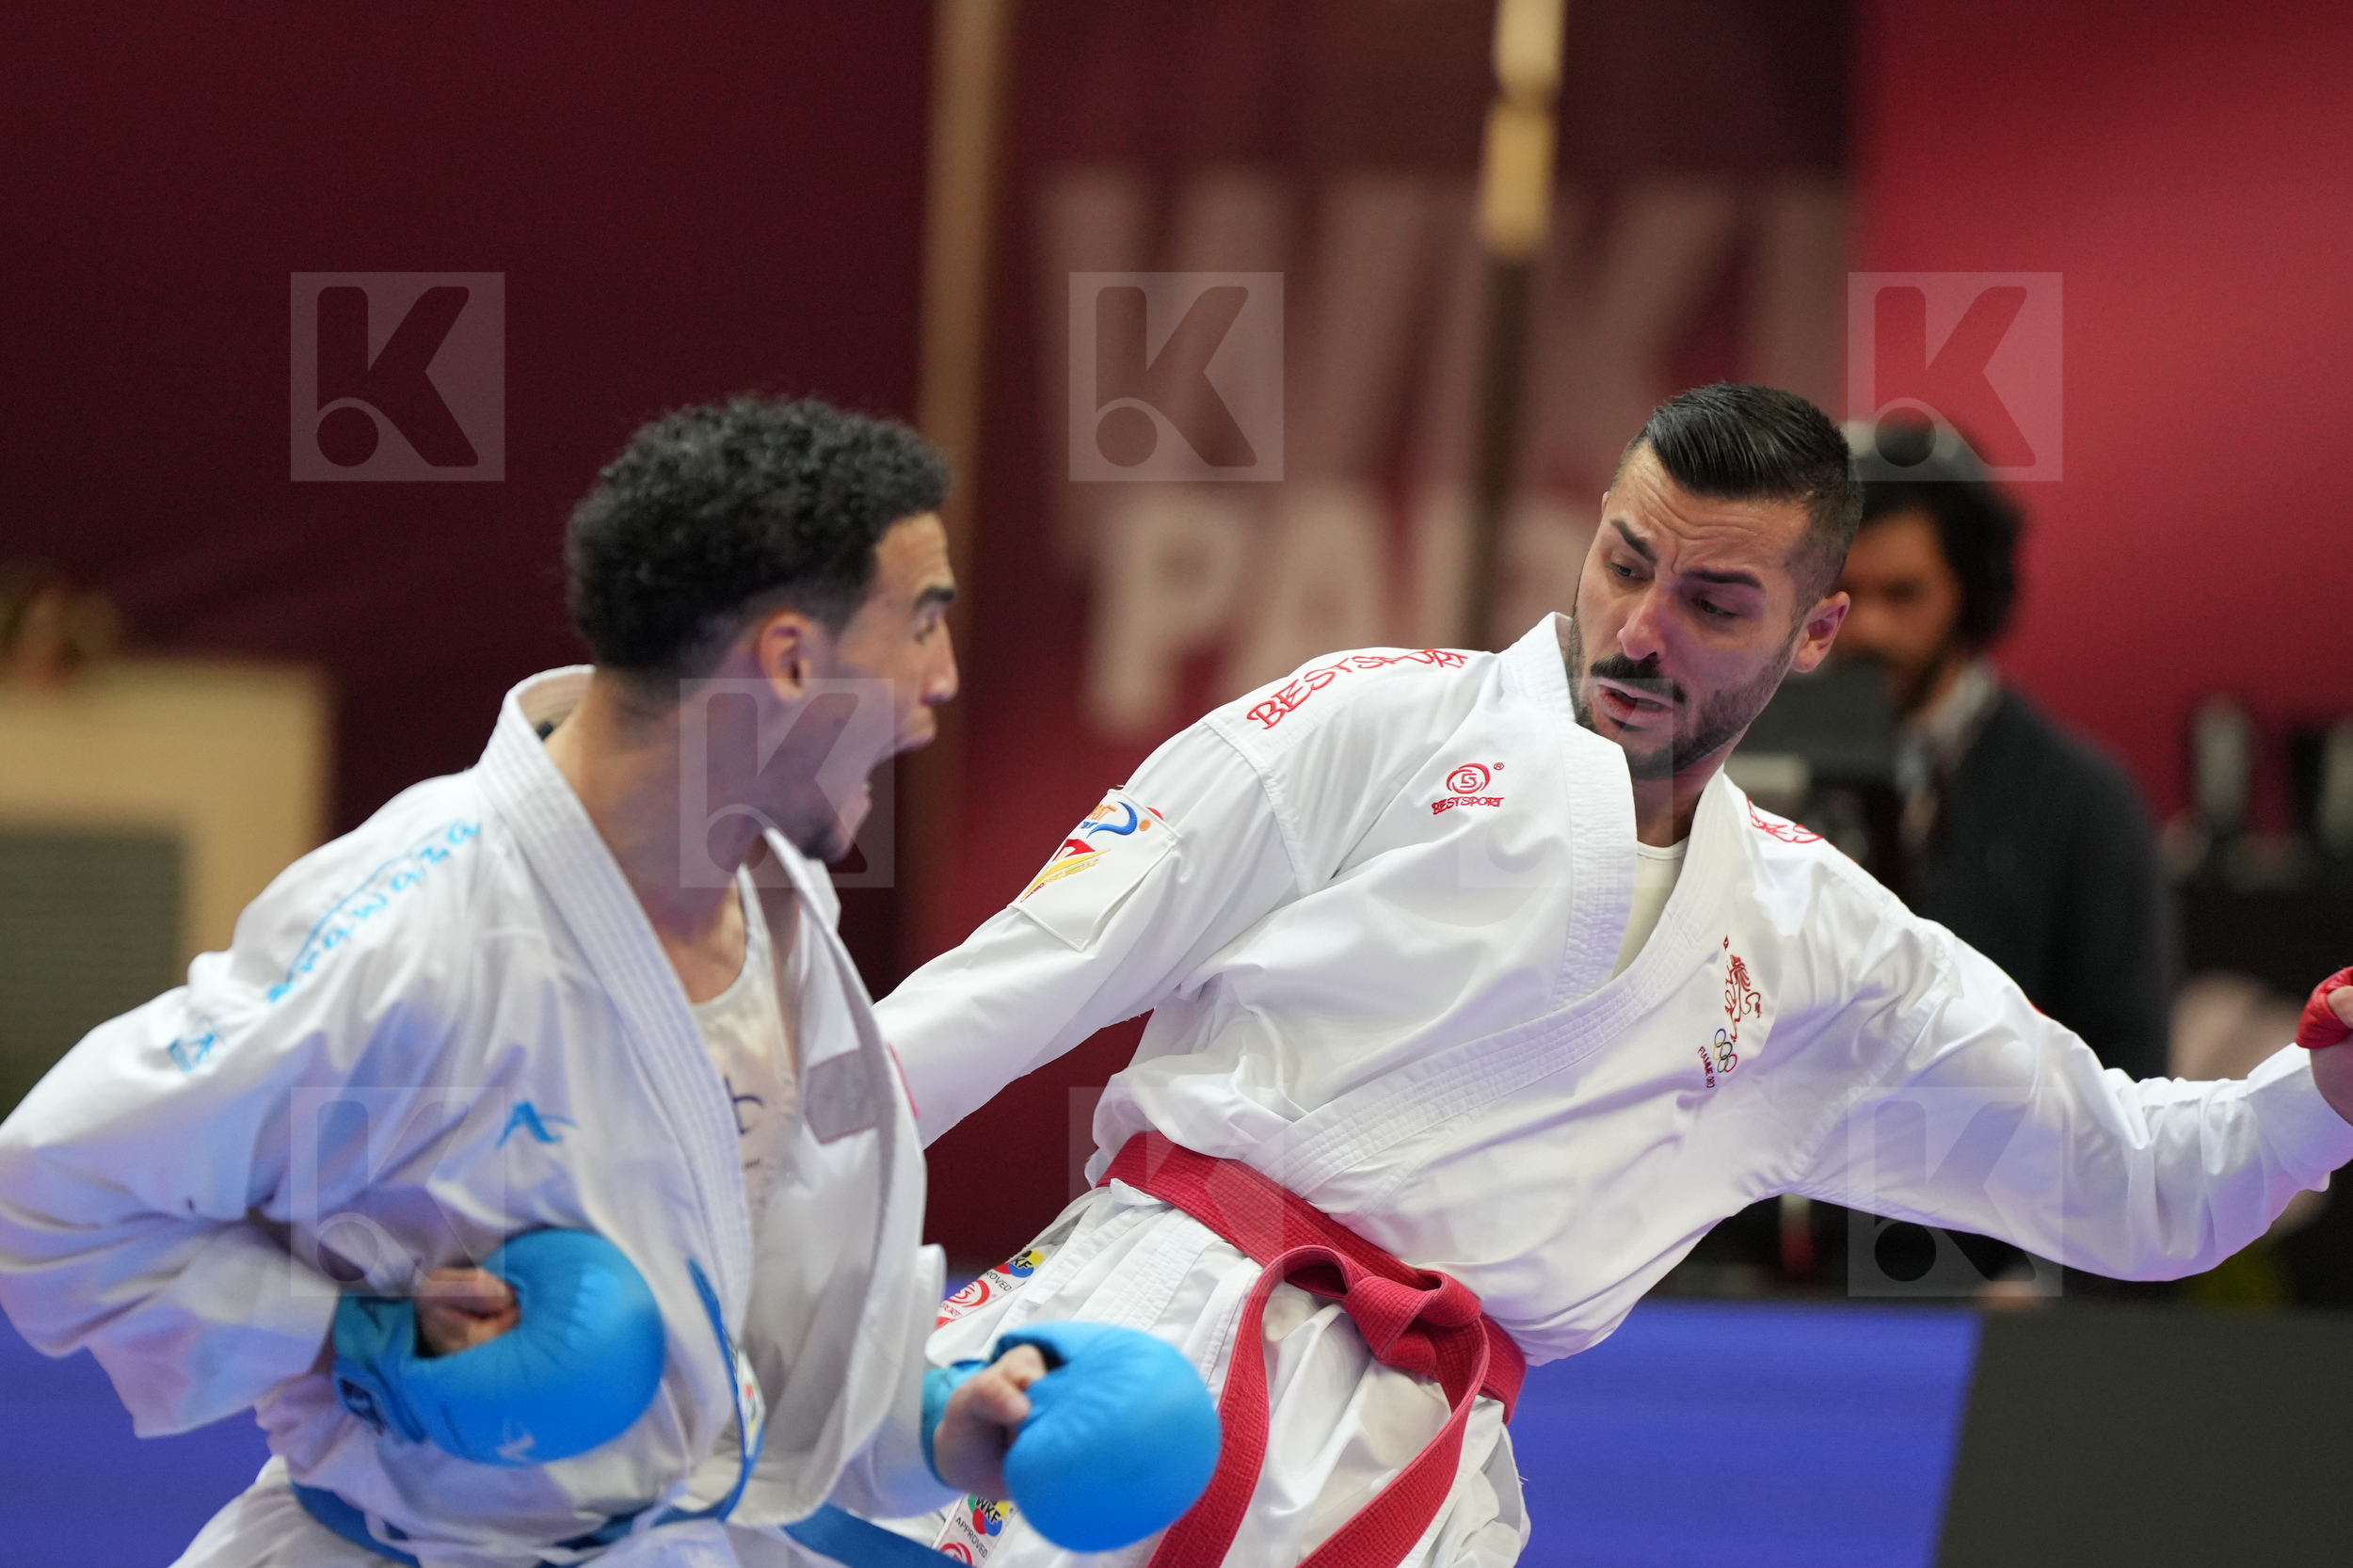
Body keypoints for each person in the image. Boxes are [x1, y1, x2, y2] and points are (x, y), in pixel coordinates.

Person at [873, 384, 2353, 1567]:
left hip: (1411, 1478)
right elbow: (1012, 980)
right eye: (1628, 563)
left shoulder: (1821, 943)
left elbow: (2141, 1182)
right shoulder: (1369, 723)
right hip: (1135, 1348)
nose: (1643, 630)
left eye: (1717, 602)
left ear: (1815, 632)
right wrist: (757, 1225)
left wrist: (2319, 1101)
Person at [0, 397, 1048, 1566]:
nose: (943, 679)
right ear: (793, 656)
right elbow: (48, 1193)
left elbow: (746, 1336)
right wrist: (345, 1332)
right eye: (922, 622)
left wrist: (931, 1422)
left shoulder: (780, 913)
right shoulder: (415, 923)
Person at [1835, 428, 2172, 1079]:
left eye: (1902, 594)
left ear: (1973, 592)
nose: (1868, 628)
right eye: (1845, 593)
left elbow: (2132, 1076)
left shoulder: (2084, 801)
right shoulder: (1747, 778)